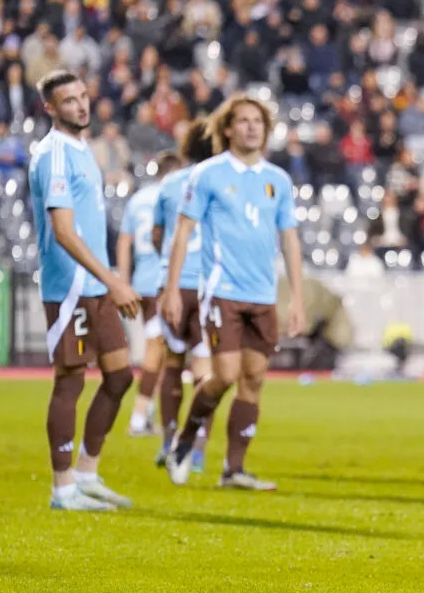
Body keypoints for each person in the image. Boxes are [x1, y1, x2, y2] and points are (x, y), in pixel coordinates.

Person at [161, 95, 306, 489]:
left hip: (262, 295)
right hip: (221, 291)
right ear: (227, 128)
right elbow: (183, 233)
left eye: (257, 121)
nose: (251, 127)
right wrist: (172, 289)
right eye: (242, 120)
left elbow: (290, 241)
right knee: (224, 375)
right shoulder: (207, 174)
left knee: (255, 378)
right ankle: (185, 440)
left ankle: (234, 470)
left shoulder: (278, 180)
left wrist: (297, 299)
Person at [28, 70, 138, 511]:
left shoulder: (83, 149)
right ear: (50, 108)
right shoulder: (53, 154)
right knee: (70, 380)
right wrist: (113, 278)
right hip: (70, 286)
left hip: (96, 284)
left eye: (83, 96)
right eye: (69, 100)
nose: (81, 105)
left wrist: (107, 278)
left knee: (120, 376)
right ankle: (62, 488)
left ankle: (88, 474)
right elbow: (64, 232)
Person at [151, 120, 215, 472]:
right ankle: (198, 449)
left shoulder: (170, 184)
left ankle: (167, 440)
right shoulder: (223, 181)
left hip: (172, 283)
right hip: (208, 286)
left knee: (172, 366)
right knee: (206, 372)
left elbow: (158, 235)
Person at [117, 153, 175, 438]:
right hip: (163, 283)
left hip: (141, 283)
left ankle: (148, 414)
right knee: (157, 349)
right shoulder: (173, 196)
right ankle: (140, 417)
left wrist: (124, 283)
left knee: (161, 351)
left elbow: (124, 242)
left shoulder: (137, 199)